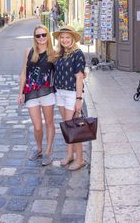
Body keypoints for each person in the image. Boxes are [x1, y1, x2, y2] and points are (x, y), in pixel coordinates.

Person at [18, 25, 55, 166]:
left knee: (49, 123)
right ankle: (39, 148)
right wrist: (20, 93)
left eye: (43, 35)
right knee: (38, 126)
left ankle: (48, 152)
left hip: (47, 93)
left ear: (48, 36)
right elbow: (23, 73)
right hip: (31, 93)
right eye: (38, 35)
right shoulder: (29, 52)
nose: (41, 38)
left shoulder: (53, 53)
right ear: (34, 37)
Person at [53, 25, 86, 171]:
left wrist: (79, 99)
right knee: (67, 126)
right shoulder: (59, 53)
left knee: (73, 127)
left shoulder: (78, 54)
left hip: (72, 94)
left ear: (73, 38)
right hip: (59, 92)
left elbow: (79, 77)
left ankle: (80, 159)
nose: (64, 40)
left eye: (67, 37)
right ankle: (69, 155)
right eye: (62, 37)